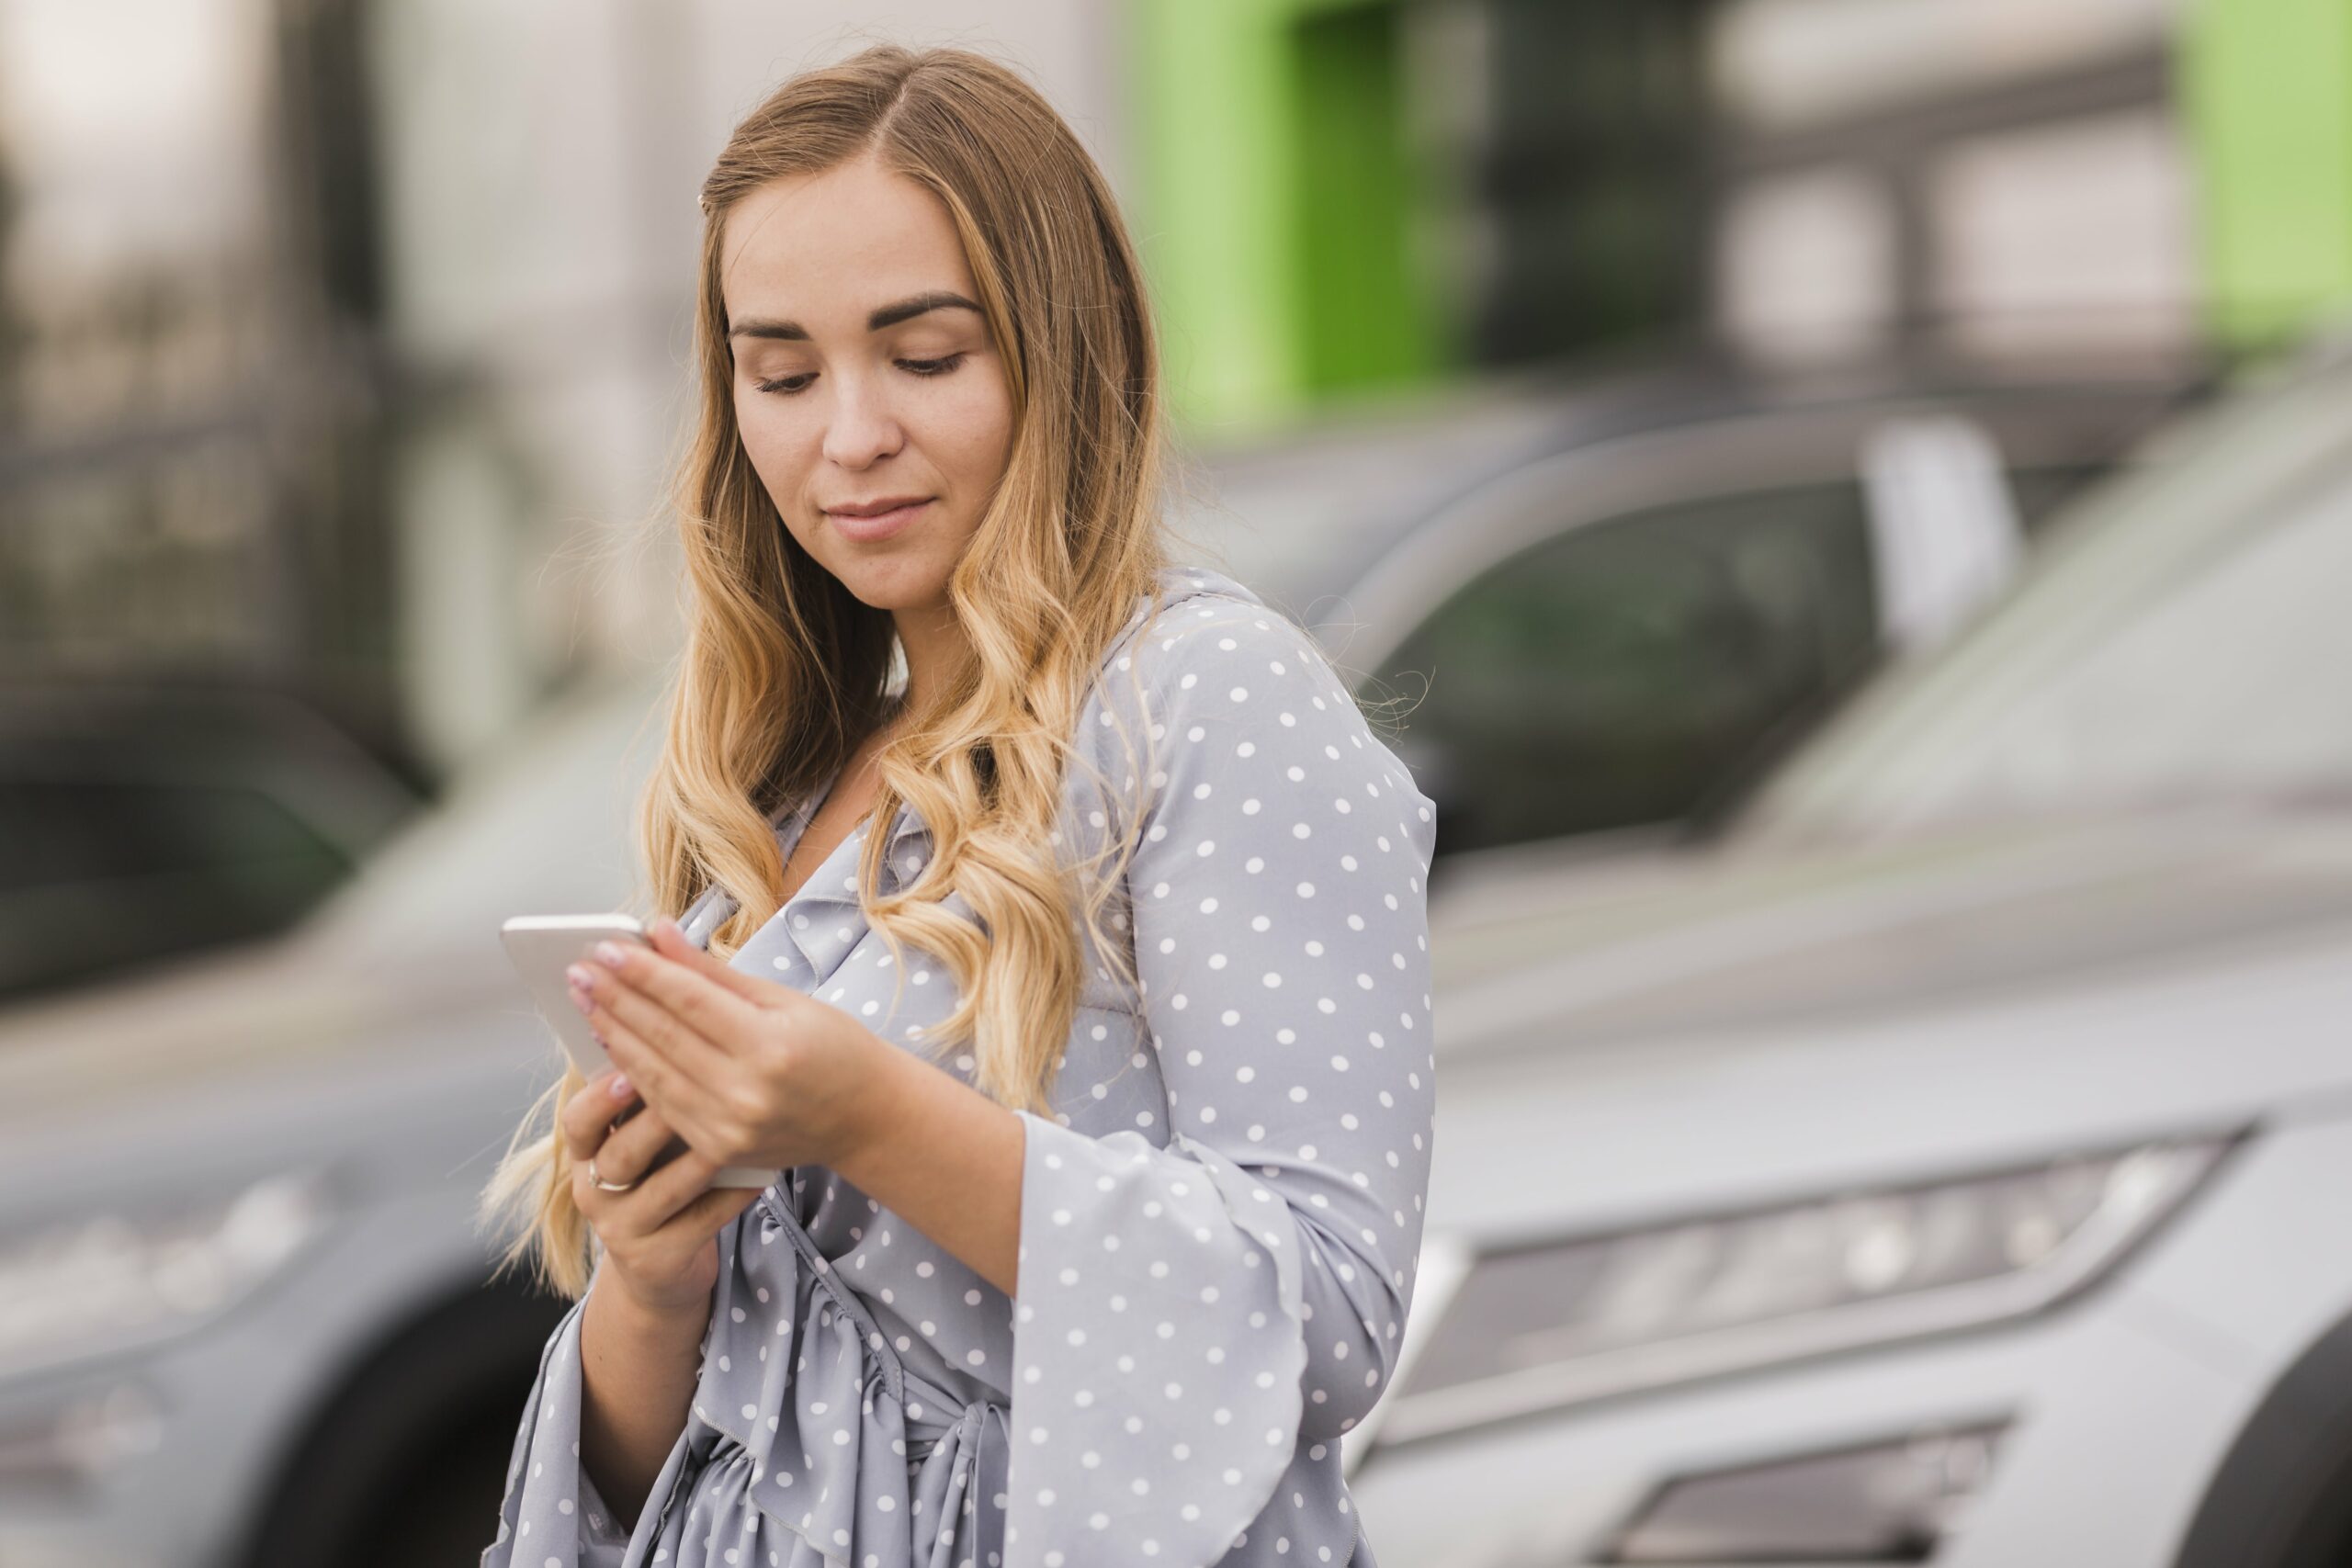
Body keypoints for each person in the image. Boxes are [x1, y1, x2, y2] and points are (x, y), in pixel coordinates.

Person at [475, 40, 1439, 1568]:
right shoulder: (781, 789)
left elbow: (1326, 1317)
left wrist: (862, 1110)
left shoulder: (1202, 698)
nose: (849, 435)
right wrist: (650, 1282)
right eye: (783, 374)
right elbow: (705, 1460)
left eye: (923, 357)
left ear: (1065, 352)